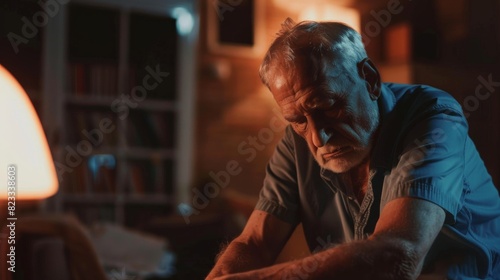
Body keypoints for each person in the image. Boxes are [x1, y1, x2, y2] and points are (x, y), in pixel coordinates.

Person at [206, 18, 500, 280]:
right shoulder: (297, 141)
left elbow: (400, 254)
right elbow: (253, 243)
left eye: (328, 107)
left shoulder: (432, 116)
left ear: (370, 79)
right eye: (298, 120)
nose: (318, 140)